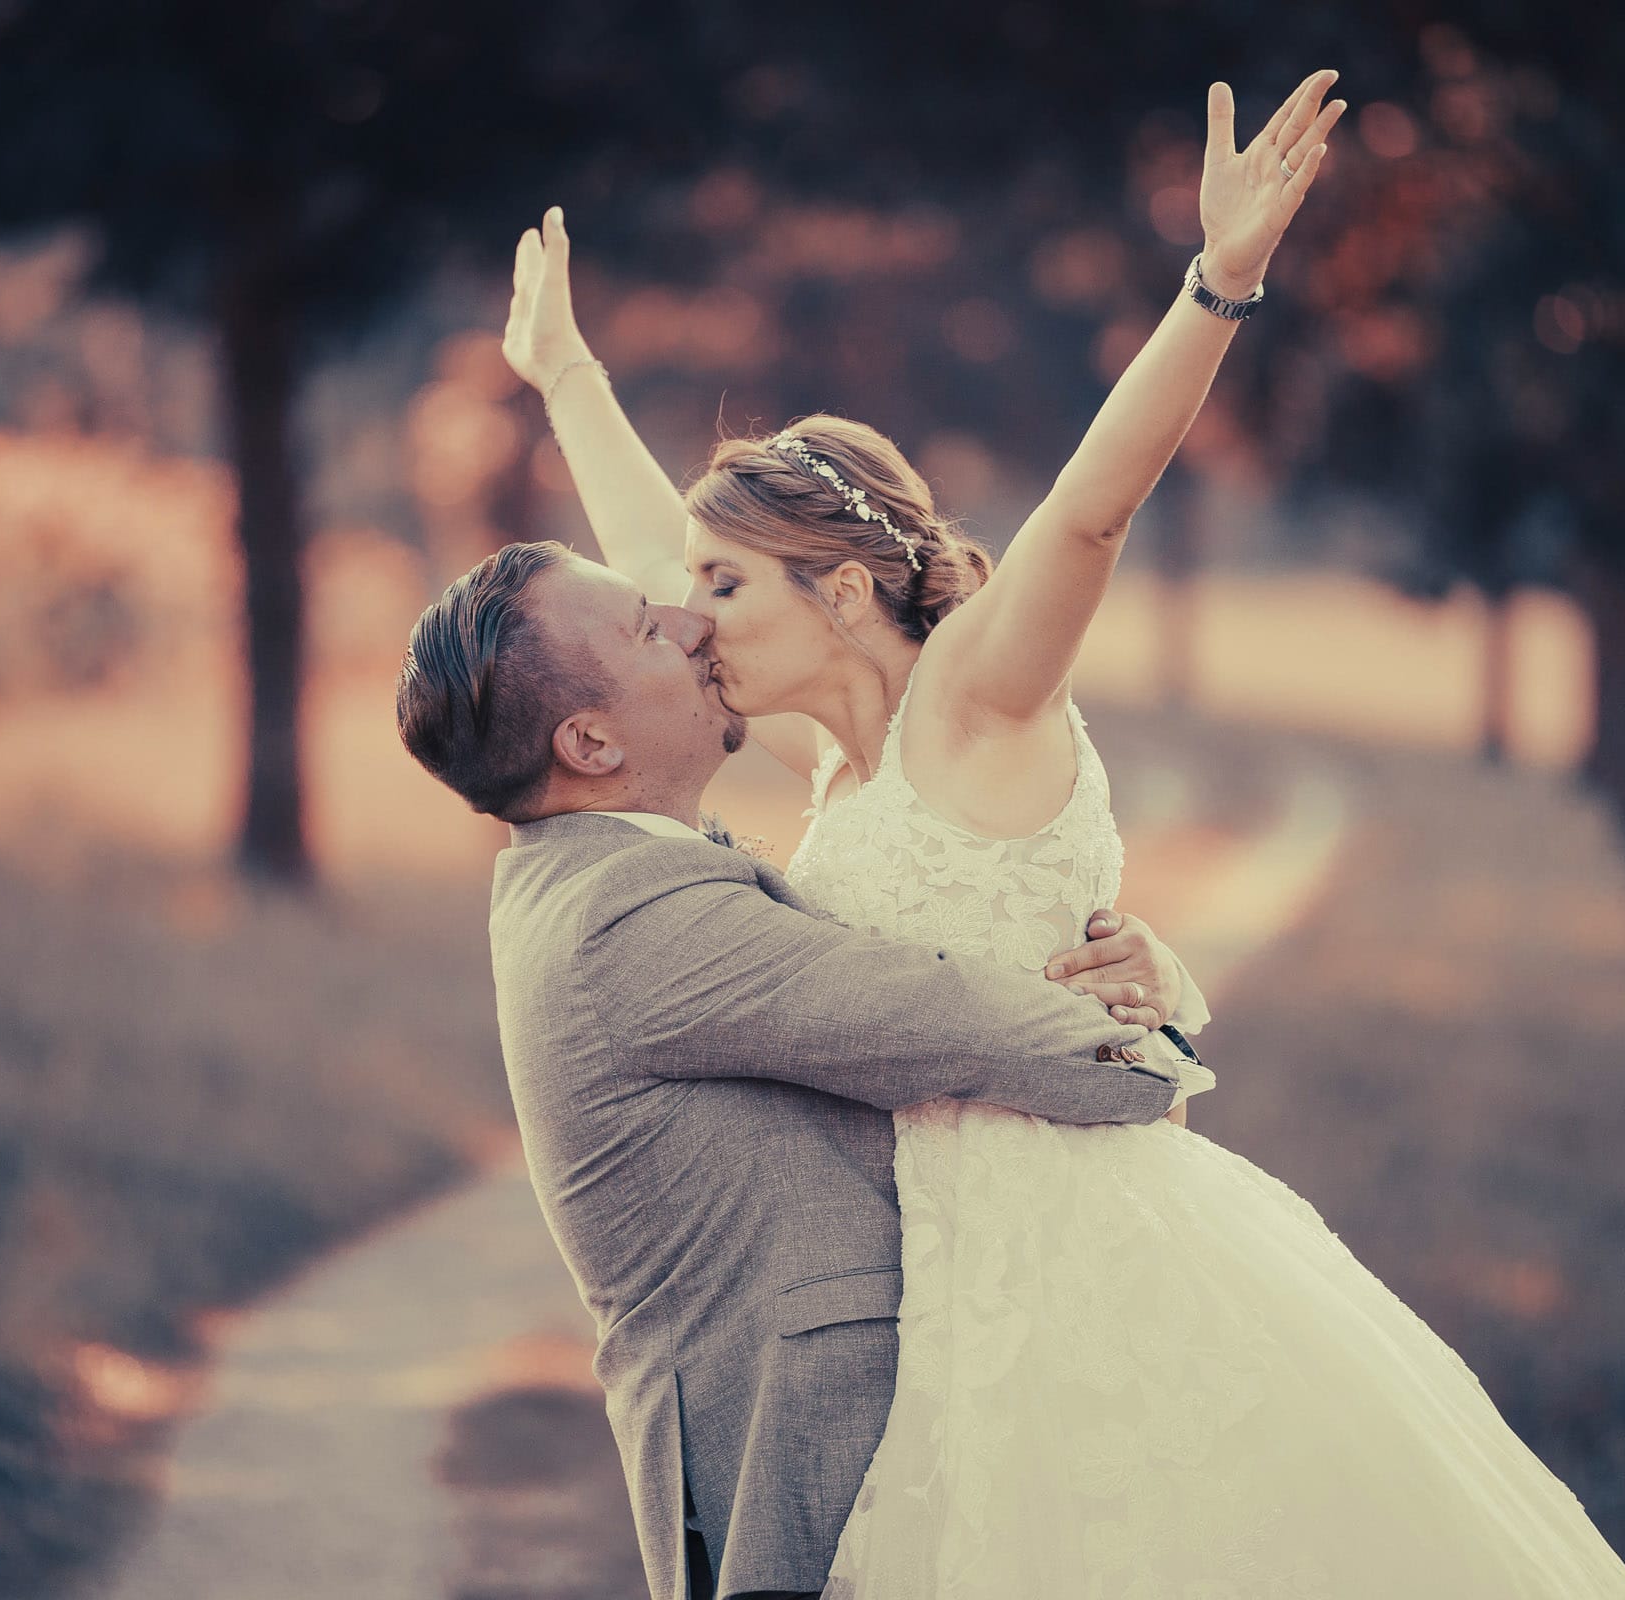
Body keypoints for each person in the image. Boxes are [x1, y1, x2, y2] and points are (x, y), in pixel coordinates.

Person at [498, 67, 1625, 1599]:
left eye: (726, 589)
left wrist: (1218, 280)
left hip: (1089, 1252)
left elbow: (1090, 514)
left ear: (841, 591)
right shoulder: (838, 754)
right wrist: (566, 373)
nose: (685, 620)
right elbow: (651, 550)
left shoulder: (975, 692)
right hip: (954, 1286)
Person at [400, 542, 1202, 1600]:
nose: (693, 624)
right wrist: (1151, 1046)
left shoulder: (607, 874)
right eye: (648, 627)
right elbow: (932, 1013)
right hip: (794, 1471)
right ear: (588, 741)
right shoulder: (625, 919)